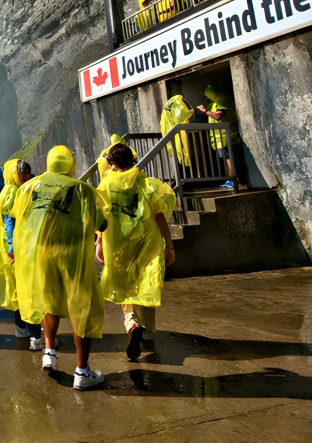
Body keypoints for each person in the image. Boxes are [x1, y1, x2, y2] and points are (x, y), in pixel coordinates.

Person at [13, 146, 108, 390]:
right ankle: (82, 372)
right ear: (70, 164)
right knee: (81, 309)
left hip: (41, 255)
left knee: (49, 302)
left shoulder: (30, 187)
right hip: (72, 257)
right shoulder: (80, 189)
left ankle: (49, 352)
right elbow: (102, 223)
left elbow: (20, 220)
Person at [95, 143, 177, 361]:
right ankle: (148, 329)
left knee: (124, 286)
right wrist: (168, 245)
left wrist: (99, 243)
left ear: (111, 163)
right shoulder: (146, 184)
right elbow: (159, 216)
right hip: (146, 242)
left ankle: (132, 322)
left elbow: (101, 217)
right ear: (133, 160)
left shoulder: (105, 185)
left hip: (119, 245)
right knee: (146, 283)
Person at [0, 159, 41, 343]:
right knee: (26, 289)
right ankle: (33, 333)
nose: (27, 176)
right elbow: (10, 224)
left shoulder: (9, 190)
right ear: (14, 174)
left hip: (13, 247)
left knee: (18, 289)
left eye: (28, 173)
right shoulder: (13, 192)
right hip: (17, 248)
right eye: (23, 173)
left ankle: (21, 329)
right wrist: (13, 249)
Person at [196, 84, 238, 188]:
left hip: (225, 136)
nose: (207, 97)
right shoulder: (212, 104)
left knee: (229, 158)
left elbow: (217, 115)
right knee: (226, 158)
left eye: (208, 95)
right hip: (218, 138)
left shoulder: (221, 101)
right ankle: (230, 179)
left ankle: (233, 179)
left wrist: (205, 111)